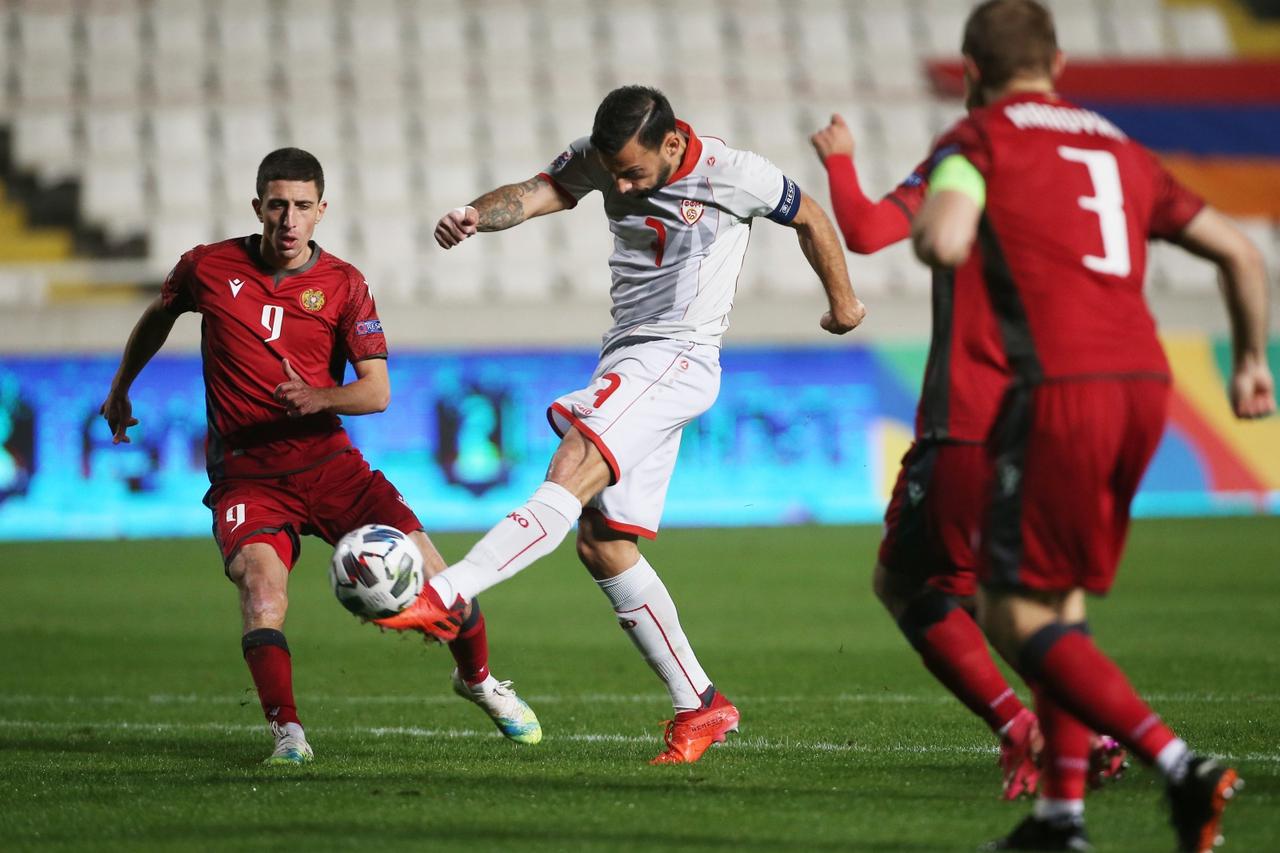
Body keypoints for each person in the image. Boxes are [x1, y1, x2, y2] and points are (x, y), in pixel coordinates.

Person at [376, 85, 867, 764]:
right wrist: (472, 214)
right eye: (613, 174)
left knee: (574, 462)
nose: (622, 186)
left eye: (633, 172)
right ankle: (700, 702)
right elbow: (539, 190)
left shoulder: (736, 173)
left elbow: (810, 215)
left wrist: (843, 303)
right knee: (603, 542)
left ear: (672, 144)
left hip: (678, 355)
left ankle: (449, 591)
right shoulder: (605, 160)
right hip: (631, 353)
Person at [909, 2, 1274, 849]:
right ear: (1060, 62)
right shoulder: (1118, 146)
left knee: (1008, 613)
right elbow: (1242, 253)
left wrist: (943, 223)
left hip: (1057, 387)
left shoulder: (979, 142)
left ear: (969, 71)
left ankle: (1180, 764)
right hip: (1147, 384)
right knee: (1060, 601)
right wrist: (1251, 360)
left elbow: (945, 237)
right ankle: (1060, 818)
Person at [99, 148, 543, 765]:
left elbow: (377, 391)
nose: (288, 219)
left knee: (443, 585)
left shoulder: (344, 284)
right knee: (261, 592)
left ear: (321, 211)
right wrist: (121, 387)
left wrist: (318, 397)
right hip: (248, 478)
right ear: (258, 207)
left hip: (331, 467)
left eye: (302, 207)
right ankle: (288, 735)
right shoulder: (208, 267)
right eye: (277, 205)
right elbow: (159, 314)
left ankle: (479, 681)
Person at [809, 115, 1127, 797]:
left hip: (972, 418)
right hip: (1069, 407)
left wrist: (839, 160)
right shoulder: (1093, 160)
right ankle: (1088, 730)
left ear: (978, 72)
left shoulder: (968, 160)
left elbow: (865, 232)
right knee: (1005, 588)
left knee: (910, 584)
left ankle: (1044, 728)